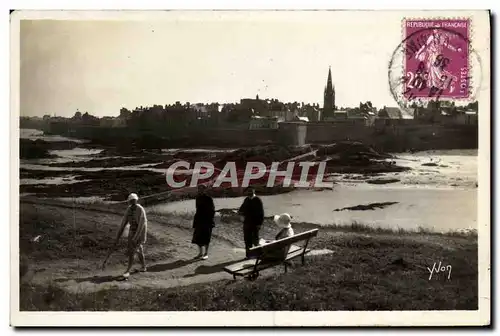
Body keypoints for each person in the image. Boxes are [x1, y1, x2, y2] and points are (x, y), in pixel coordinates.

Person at [112, 193, 148, 279]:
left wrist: (135, 238)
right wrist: (117, 237)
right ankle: (143, 267)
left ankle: (128, 270)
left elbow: (141, 225)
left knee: (132, 250)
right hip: (132, 230)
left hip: (140, 232)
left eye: (134, 201)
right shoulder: (129, 209)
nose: (133, 202)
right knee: (139, 250)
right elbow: (123, 223)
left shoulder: (140, 209)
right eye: (131, 201)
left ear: (136, 200)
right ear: (129, 202)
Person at [238, 187, 264, 258]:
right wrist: (240, 214)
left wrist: (260, 224)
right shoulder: (246, 199)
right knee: (247, 240)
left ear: (254, 191)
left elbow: (261, 213)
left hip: (255, 224)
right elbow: (241, 209)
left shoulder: (258, 200)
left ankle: (258, 255)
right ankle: (249, 255)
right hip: (247, 223)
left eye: (251, 191)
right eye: (248, 191)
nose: (249, 192)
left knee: (255, 240)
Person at [192, 185, 215, 260]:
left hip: (207, 221)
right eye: (199, 189)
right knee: (197, 237)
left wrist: (210, 220)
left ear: (205, 190)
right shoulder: (197, 198)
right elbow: (197, 209)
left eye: (202, 189)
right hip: (199, 220)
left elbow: (212, 210)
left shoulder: (209, 198)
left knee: (206, 238)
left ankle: (206, 253)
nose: (200, 190)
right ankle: (200, 253)